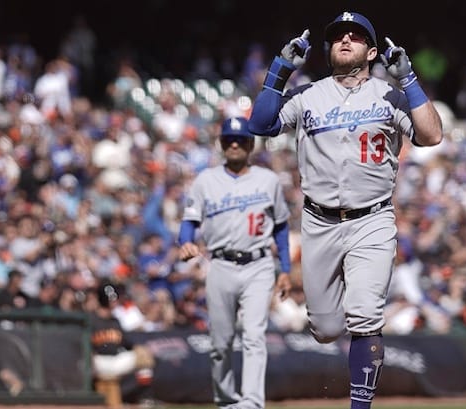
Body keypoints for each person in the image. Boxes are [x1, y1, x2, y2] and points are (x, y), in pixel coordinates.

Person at [248, 11, 443, 409]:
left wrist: (409, 79)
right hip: (319, 221)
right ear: (328, 48)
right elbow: (260, 124)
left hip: (372, 218)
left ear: (372, 51)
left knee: (366, 318)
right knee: (324, 328)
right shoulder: (308, 95)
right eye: (339, 36)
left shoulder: (389, 95)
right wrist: (280, 70)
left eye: (355, 36)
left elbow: (432, 134)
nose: (345, 39)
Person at [177, 116, 292, 409]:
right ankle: (226, 400)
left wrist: (286, 270)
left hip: (259, 264)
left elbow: (280, 227)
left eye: (241, 140)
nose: (235, 144)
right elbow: (189, 221)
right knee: (220, 343)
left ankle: (252, 402)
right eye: (229, 139)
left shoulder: (267, 180)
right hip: (221, 265)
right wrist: (185, 241)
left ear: (251, 144)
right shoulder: (205, 180)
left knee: (254, 336)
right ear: (221, 143)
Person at [90, 282, 156, 408]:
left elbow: (127, 342)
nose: (115, 302)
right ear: (103, 299)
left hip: (115, 360)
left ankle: (144, 399)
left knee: (144, 356)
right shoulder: (91, 320)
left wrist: (139, 349)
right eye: (112, 299)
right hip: (98, 362)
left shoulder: (115, 321)